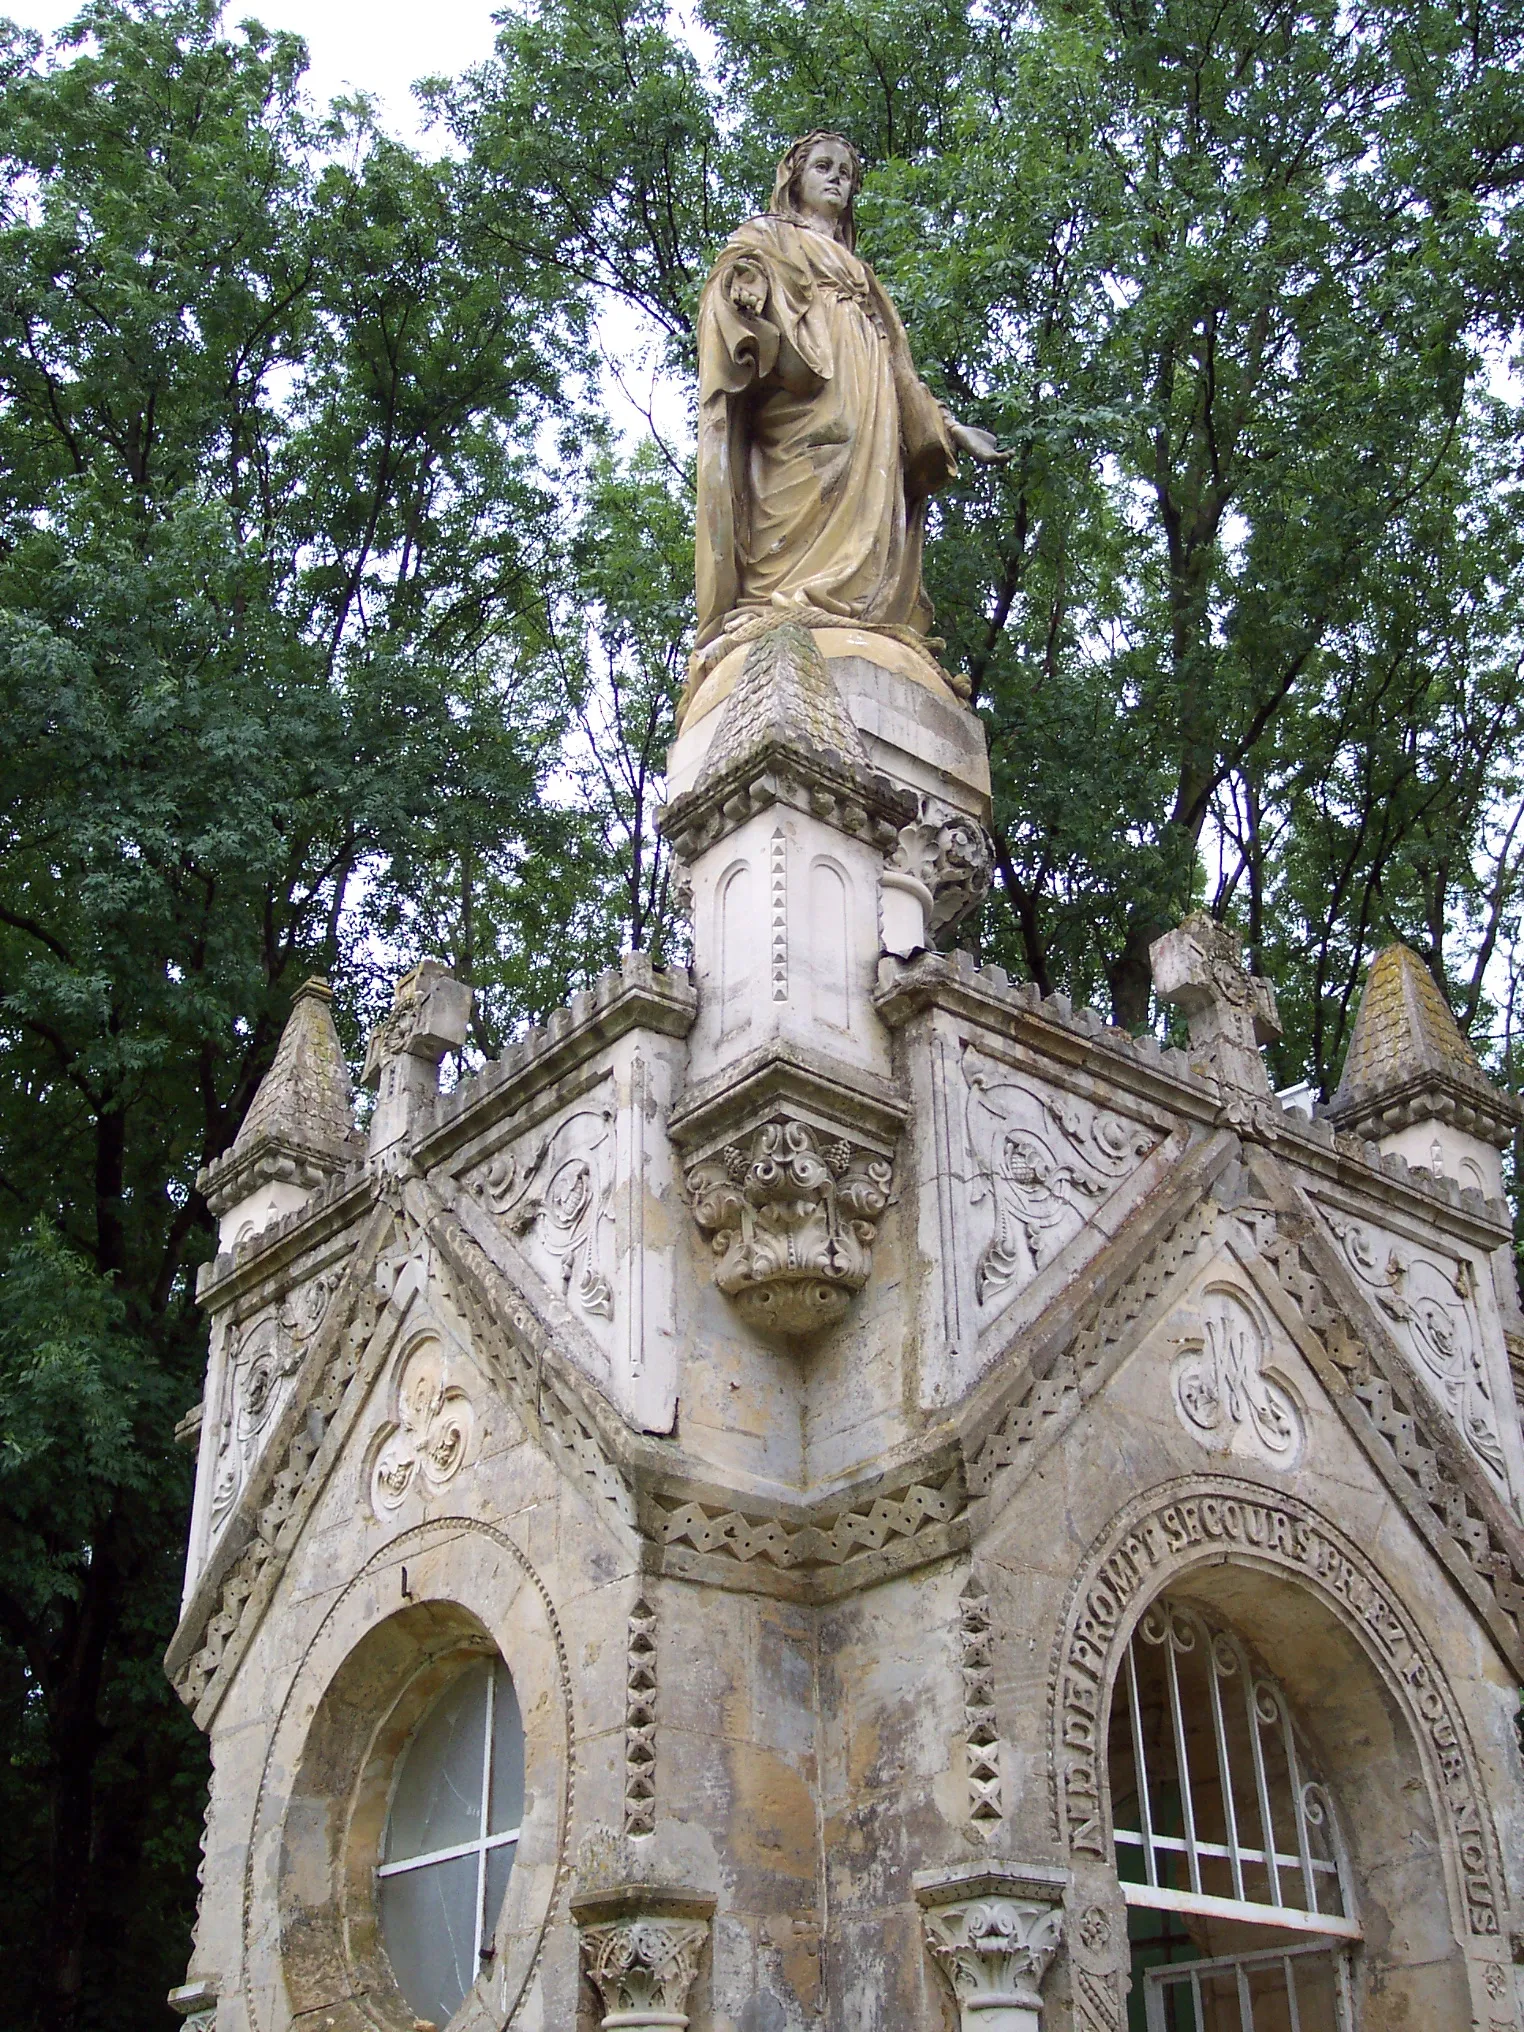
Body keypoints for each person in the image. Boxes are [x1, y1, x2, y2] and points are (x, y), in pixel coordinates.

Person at [693, 130, 1010, 685]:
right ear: (795, 180)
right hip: (806, 385)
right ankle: (780, 601)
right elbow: (731, 285)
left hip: (867, 385)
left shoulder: (860, 273)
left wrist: (951, 426)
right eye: (823, 166)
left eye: (847, 171)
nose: (837, 177)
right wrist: (742, 295)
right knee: (812, 464)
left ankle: (854, 615)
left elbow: (900, 370)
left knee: (869, 479)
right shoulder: (766, 237)